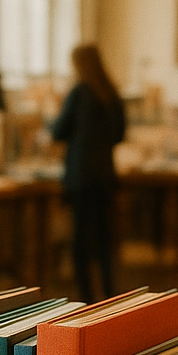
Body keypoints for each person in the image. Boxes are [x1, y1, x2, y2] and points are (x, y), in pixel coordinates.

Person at [51, 44, 126, 304]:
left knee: (81, 240)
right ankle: (108, 291)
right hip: (105, 175)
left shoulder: (79, 92)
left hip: (81, 176)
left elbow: (58, 131)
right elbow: (119, 135)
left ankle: (85, 296)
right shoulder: (111, 93)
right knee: (105, 238)